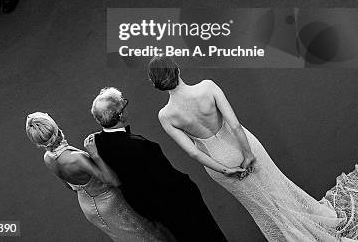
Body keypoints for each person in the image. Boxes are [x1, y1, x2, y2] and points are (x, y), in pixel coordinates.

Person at [148, 55, 358, 242]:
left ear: (156, 83)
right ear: (177, 69)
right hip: (243, 145)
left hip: (216, 161)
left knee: (261, 207)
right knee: (277, 188)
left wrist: (225, 170)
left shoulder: (166, 115)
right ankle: (317, 225)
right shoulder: (207, 87)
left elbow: (193, 152)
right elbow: (235, 125)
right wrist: (248, 154)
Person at [89, 86, 228, 241]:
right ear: (120, 115)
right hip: (178, 205)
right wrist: (189, 186)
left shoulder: (95, 143)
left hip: (149, 210)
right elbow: (168, 179)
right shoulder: (143, 146)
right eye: (124, 104)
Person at [25, 111, 174, 241]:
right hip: (109, 203)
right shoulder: (76, 158)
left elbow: (69, 186)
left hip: (87, 205)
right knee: (146, 234)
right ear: (55, 128)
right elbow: (113, 181)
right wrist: (94, 154)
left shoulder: (48, 158)